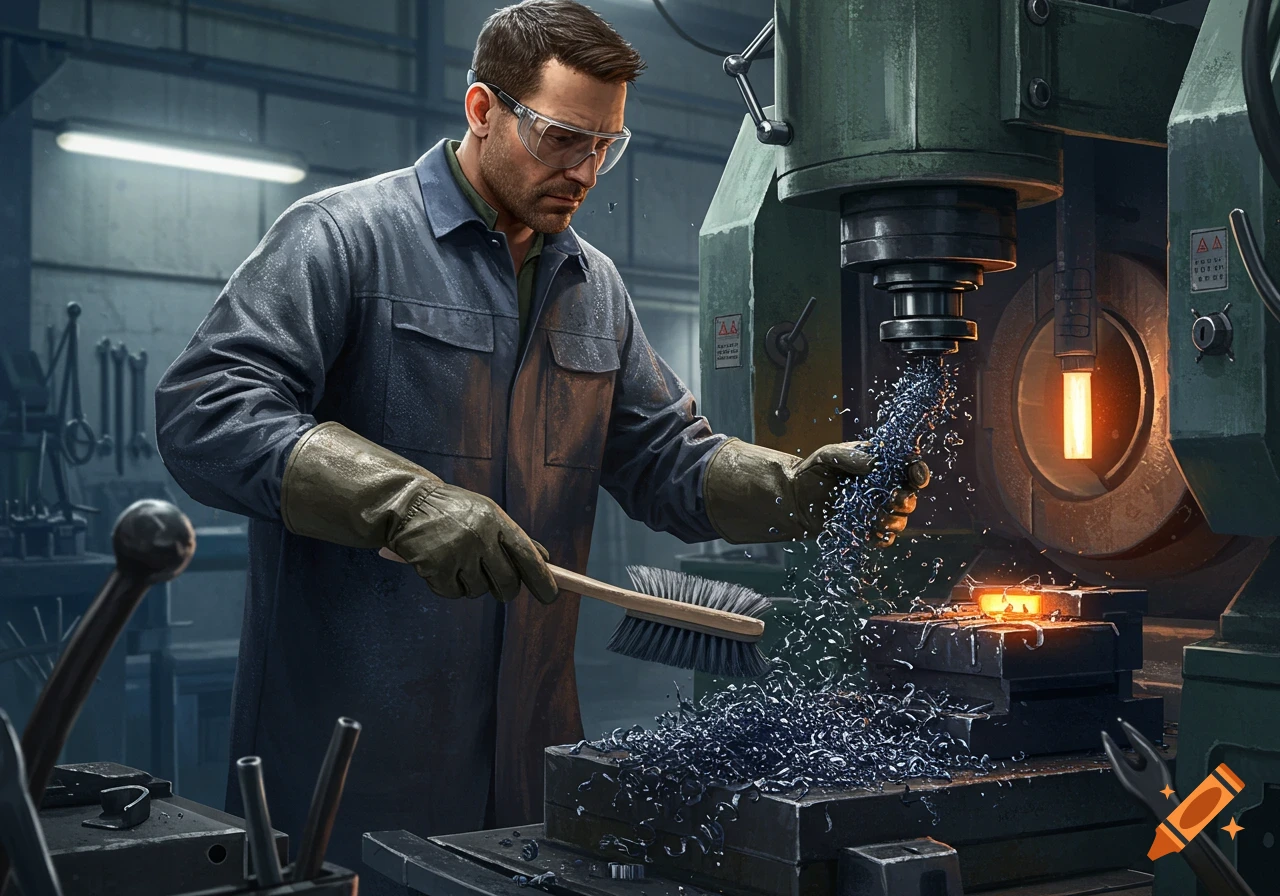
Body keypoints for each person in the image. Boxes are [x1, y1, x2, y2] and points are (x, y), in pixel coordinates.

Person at [154, 0, 926, 884]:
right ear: (484, 110)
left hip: (531, 767)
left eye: (606, 146)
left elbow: (667, 459)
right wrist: (408, 506)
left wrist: (793, 489)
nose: (586, 170)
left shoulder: (592, 286)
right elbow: (205, 409)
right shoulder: (342, 239)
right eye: (562, 138)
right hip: (348, 770)